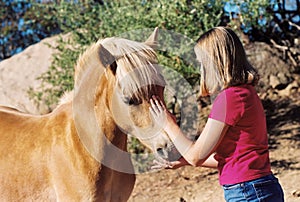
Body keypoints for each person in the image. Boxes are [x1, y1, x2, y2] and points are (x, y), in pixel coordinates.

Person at [149, 26, 284, 202]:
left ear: (215, 61)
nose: (201, 70)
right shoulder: (245, 93)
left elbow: (196, 156)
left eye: (202, 63)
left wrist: (168, 124)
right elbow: (229, 158)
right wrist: (183, 161)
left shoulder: (230, 99)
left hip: (248, 192)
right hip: (258, 188)